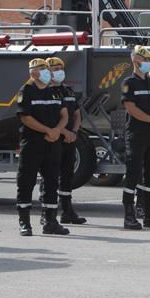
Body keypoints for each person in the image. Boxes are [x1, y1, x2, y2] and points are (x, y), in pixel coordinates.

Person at [15, 58, 70, 236]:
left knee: (52, 181)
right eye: (42, 69)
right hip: (32, 143)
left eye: (47, 69)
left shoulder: (53, 92)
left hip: (53, 143)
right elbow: (26, 118)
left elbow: (64, 115)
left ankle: (50, 221)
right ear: (33, 72)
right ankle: (25, 222)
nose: (47, 72)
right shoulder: (26, 91)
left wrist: (57, 131)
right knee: (26, 181)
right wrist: (48, 130)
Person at [121, 45, 150, 229]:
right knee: (133, 174)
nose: (148, 63)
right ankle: (129, 215)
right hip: (137, 134)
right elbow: (131, 109)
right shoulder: (129, 83)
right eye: (145, 60)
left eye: (149, 60)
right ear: (135, 60)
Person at [45, 57, 86, 224]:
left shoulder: (68, 91)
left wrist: (74, 132)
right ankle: (46, 213)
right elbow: (46, 119)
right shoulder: (45, 91)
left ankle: (67, 211)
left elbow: (76, 114)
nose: (60, 71)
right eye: (55, 68)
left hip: (70, 139)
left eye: (61, 68)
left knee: (67, 176)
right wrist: (64, 132)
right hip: (53, 139)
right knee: (50, 176)